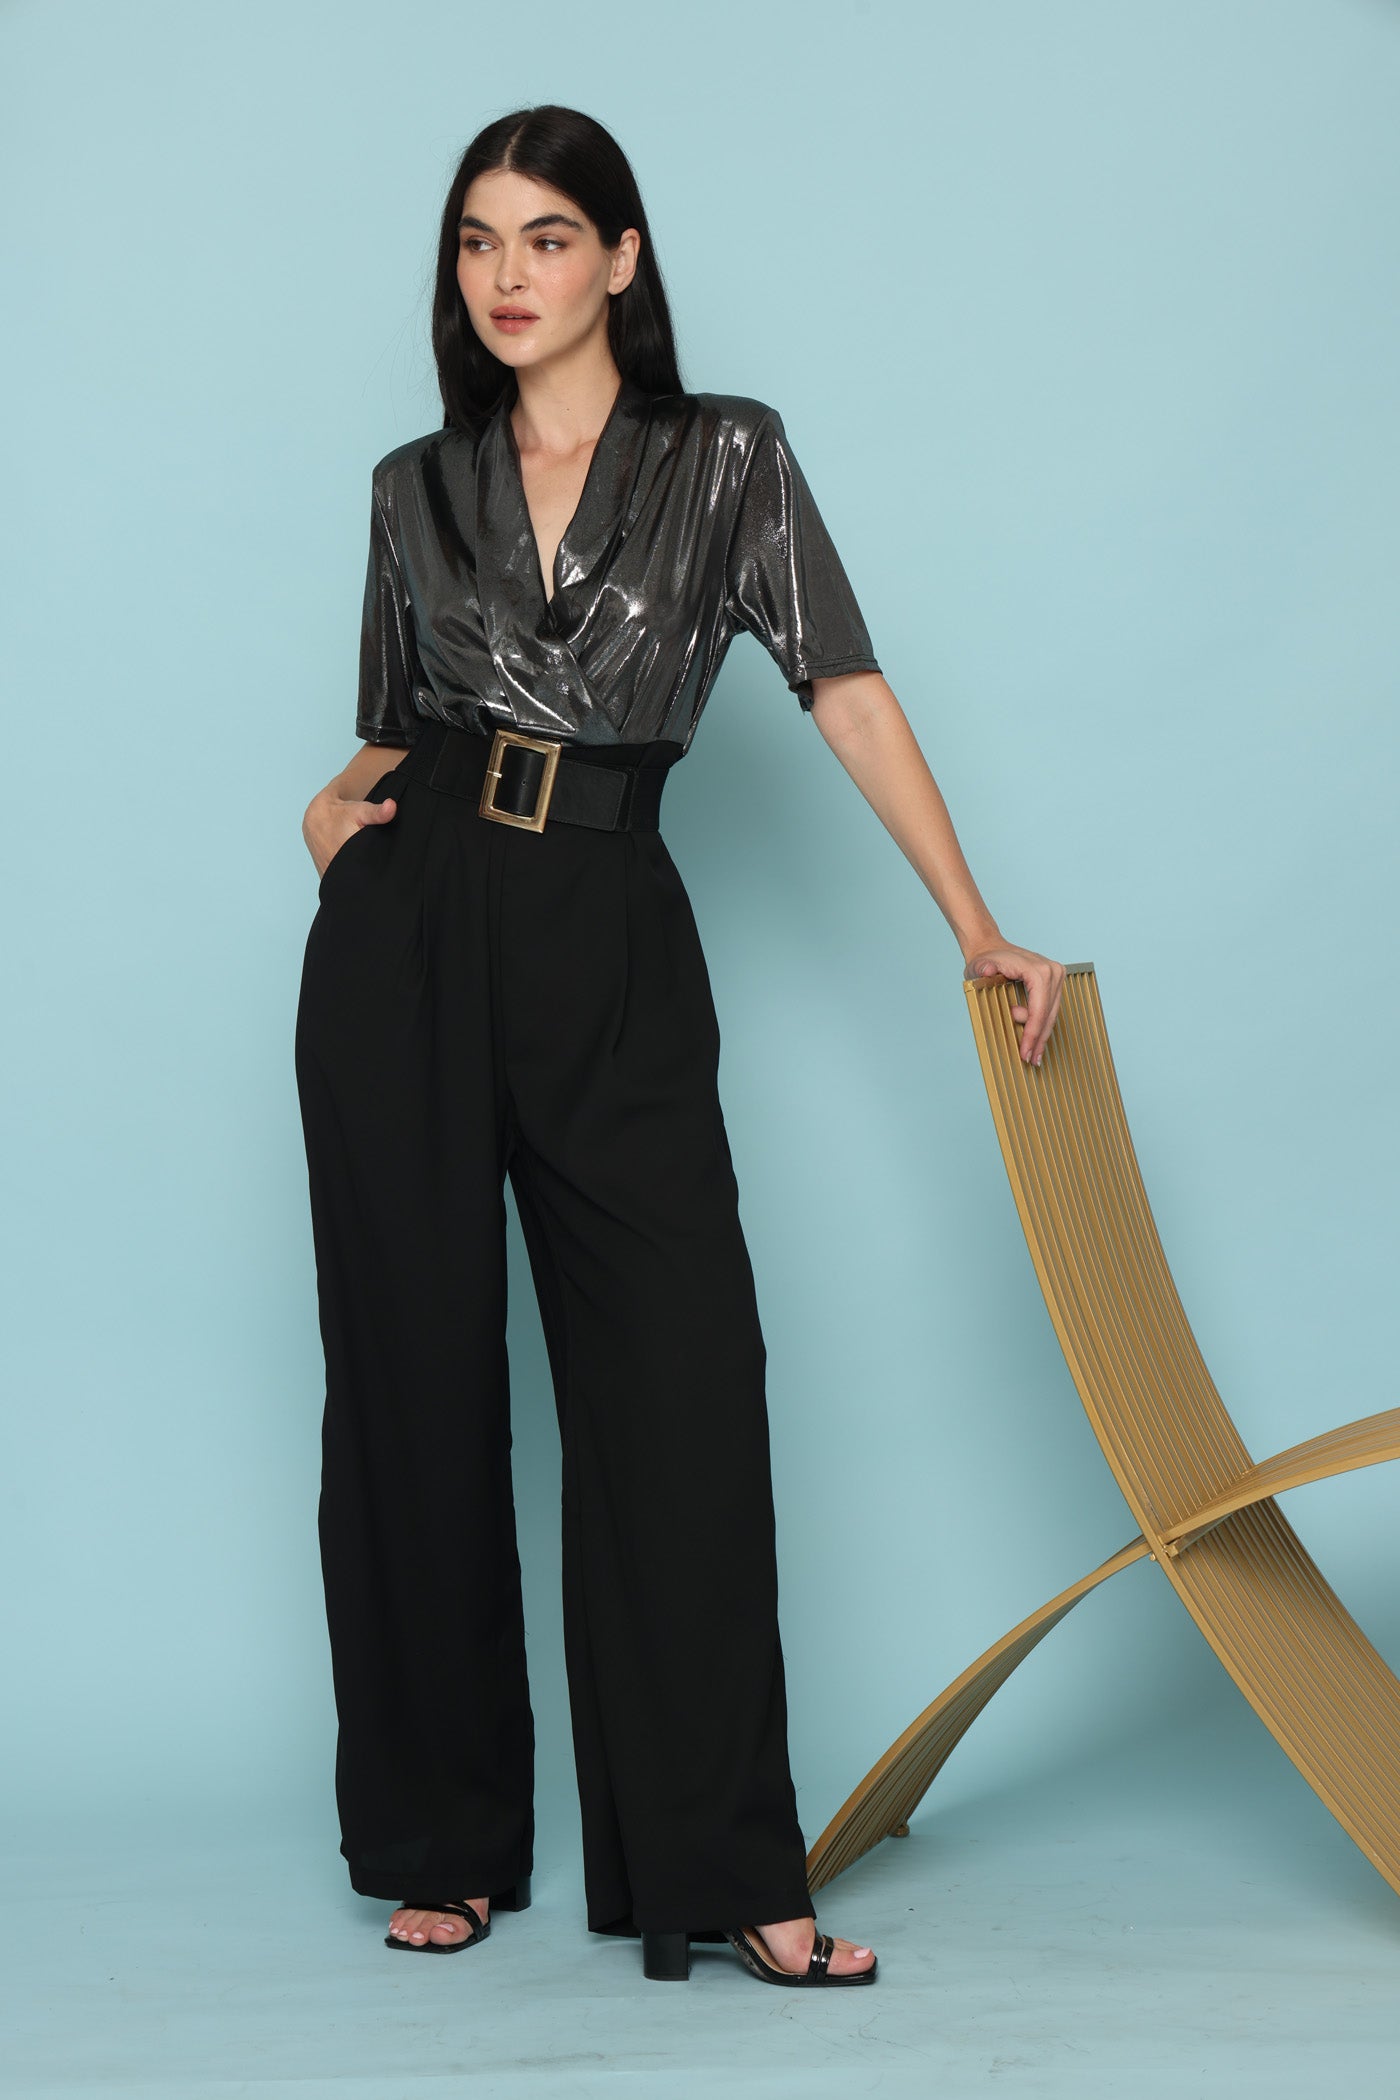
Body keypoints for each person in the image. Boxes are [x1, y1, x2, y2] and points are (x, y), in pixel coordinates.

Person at [295, 103, 1064, 1992]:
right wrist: (331, 815)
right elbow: (397, 721)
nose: (508, 275)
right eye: (479, 241)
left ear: (622, 259)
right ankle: (442, 1844)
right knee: (410, 1383)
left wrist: (974, 924)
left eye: (549, 237)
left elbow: (843, 688)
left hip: (613, 924)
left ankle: (730, 1871)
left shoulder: (728, 457)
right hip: (408, 938)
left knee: (683, 1385)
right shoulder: (412, 484)